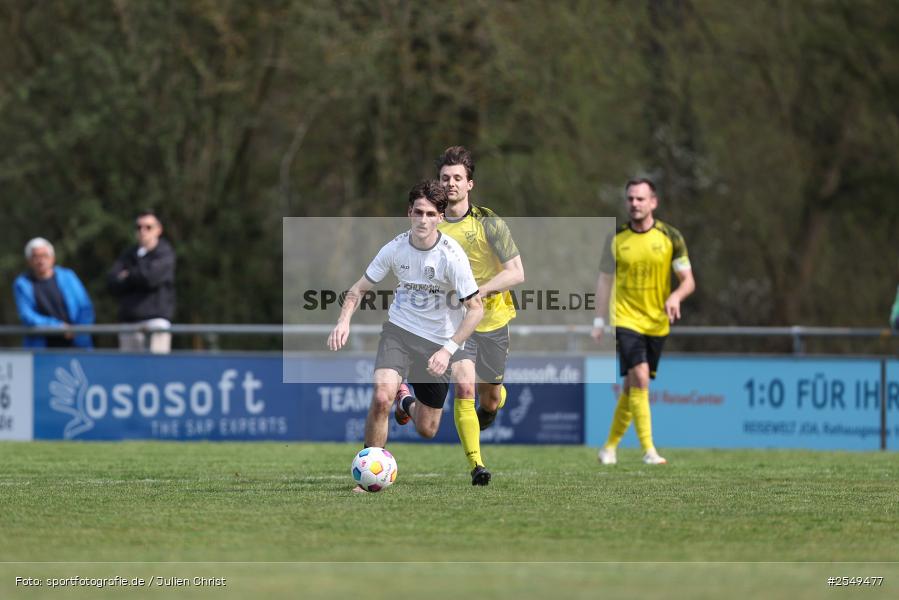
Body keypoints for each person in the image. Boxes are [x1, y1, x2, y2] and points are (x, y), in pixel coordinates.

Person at [328, 180, 483, 491]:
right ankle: (367, 479)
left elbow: (476, 309)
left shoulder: (451, 257)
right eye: (417, 212)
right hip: (399, 333)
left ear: (440, 216)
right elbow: (357, 290)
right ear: (408, 212)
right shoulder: (395, 248)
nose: (422, 220)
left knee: (427, 428)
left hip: (438, 342)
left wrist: (448, 349)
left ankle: (406, 403)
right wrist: (343, 320)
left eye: (429, 214)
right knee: (381, 397)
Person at [396, 146, 525, 486]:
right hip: (453, 326)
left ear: (470, 184)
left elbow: (516, 273)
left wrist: (478, 294)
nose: (450, 184)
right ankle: (477, 466)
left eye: (457, 178)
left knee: (491, 396)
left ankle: (492, 402)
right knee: (464, 387)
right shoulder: (429, 225)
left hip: (494, 320)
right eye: (444, 178)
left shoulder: (489, 222)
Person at [591, 178, 695, 465]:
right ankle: (649, 450)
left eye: (640, 199)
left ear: (653, 202)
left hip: (656, 323)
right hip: (625, 319)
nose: (634, 204)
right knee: (639, 376)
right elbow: (604, 281)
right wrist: (599, 319)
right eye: (630, 199)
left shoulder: (670, 237)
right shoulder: (616, 239)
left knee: (632, 386)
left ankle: (609, 447)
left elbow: (688, 282)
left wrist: (675, 297)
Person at [107, 210, 176, 353]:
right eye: (139, 227)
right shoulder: (128, 254)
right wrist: (138, 275)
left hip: (155, 323)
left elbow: (150, 278)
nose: (143, 231)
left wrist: (128, 275)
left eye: (148, 227)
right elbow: (112, 282)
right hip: (129, 324)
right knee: (129, 374)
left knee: (156, 372)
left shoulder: (165, 252)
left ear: (158, 230)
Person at [13, 237, 94, 348]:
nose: (40, 261)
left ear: (53, 258)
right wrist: (57, 327)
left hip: (76, 344)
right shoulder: (22, 284)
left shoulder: (68, 276)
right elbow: (27, 315)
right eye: (35, 257)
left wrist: (77, 331)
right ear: (29, 261)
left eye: (44, 256)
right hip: (43, 349)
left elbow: (85, 307)